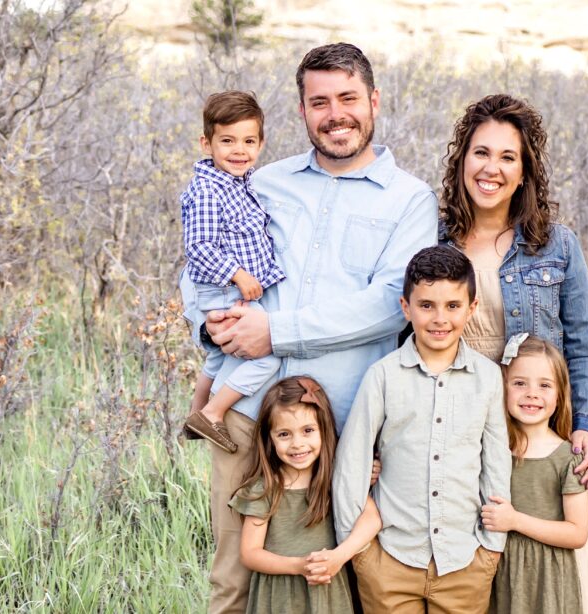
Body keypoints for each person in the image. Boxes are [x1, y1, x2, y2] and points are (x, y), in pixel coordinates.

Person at [184, 42, 438, 614]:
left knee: (349, 579)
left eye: (348, 97)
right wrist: (211, 324)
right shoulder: (262, 182)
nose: (335, 114)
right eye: (319, 101)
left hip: (342, 428)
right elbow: (197, 263)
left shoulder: (410, 201)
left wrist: (275, 332)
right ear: (301, 111)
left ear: (373, 101)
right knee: (234, 579)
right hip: (249, 417)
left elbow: (388, 303)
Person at [438, 94, 588, 612]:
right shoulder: (435, 238)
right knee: (475, 562)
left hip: (539, 427)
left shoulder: (557, 245)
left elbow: (584, 343)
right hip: (462, 423)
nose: (491, 168)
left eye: (507, 157)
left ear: (524, 172)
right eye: (480, 153)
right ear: (462, 160)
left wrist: (586, 423)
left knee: (545, 565)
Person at [333, 245, 511, 614]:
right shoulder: (382, 376)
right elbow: (352, 462)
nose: (439, 318)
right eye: (426, 305)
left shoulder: (488, 378)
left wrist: (491, 549)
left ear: (472, 308)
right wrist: (362, 554)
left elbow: (496, 465)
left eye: (452, 306)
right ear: (406, 307)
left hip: (465, 562)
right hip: (391, 561)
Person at [180, 91, 286, 453]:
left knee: (218, 356)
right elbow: (199, 248)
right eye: (227, 141)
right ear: (206, 143)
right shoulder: (209, 190)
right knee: (270, 354)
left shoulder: (240, 182)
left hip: (229, 288)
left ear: (261, 143)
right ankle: (213, 412)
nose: (239, 150)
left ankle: (195, 414)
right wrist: (239, 274)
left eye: (248, 141)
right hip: (225, 289)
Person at [230, 376, 381, 614]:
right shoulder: (266, 487)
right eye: (284, 434)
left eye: (308, 430)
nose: (297, 444)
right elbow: (250, 554)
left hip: (328, 591)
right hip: (280, 598)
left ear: (324, 429)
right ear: (270, 438)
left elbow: (372, 518)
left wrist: (338, 557)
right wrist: (300, 566)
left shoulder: (335, 480)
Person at [482, 334, 588, 614]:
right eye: (519, 383)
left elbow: (577, 532)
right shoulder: (491, 448)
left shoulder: (568, 456)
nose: (532, 393)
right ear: (502, 388)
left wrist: (515, 520)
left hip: (547, 580)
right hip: (499, 572)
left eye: (544, 385)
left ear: (559, 394)